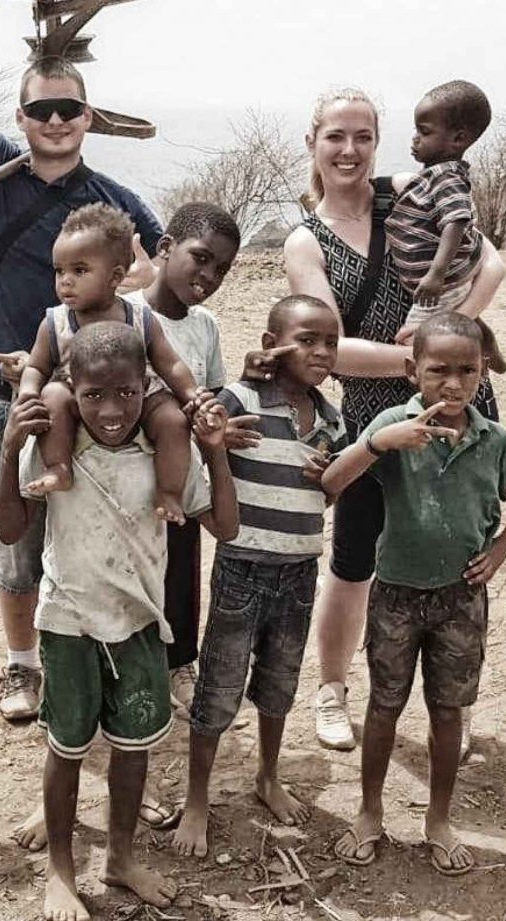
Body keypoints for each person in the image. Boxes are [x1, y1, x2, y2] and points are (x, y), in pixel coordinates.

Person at [0, 0, 164, 722]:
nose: (56, 120)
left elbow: (159, 277)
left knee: (99, 534)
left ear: (89, 116)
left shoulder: (117, 204)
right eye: (41, 109)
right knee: (18, 532)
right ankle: (23, 663)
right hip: (8, 397)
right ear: (22, 117)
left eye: (69, 108)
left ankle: (100, 651)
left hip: (100, 404)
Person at [278, 87, 506, 752]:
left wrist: (449, 341)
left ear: (377, 142)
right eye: (335, 137)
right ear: (313, 145)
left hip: (458, 412)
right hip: (372, 421)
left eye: (363, 137)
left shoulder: (409, 190)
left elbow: (491, 262)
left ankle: (454, 703)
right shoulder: (306, 241)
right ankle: (331, 692)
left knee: (461, 558)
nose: (349, 150)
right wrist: (419, 364)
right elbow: (328, 347)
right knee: (352, 562)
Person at [0, 322, 238, 921]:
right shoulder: (57, 449)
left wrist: (216, 448)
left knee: (133, 749)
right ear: (70, 388)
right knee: (67, 748)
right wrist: (6, 450)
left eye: (127, 394)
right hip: (68, 620)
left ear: (146, 385)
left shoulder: (164, 451)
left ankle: (120, 857)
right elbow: (8, 529)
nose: (111, 410)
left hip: (139, 623)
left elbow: (226, 527)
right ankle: (61, 869)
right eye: (94, 395)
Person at [320, 312, 506, 874]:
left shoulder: (494, 439)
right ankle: (370, 813)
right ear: (413, 370)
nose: (453, 383)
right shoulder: (396, 425)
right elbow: (332, 482)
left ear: (483, 373)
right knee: (383, 707)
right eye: (438, 370)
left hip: (460, 601)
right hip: (395, 594)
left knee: (448, 712)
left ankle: (438, 819)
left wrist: (500, 552)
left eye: (468, 371)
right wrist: (378, 441)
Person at [171, 295, 348, 859]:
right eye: (308, 339)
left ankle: (267, 777)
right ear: (272, 345)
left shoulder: (331, 416)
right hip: (242, 568)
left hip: (299, 569)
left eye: (330, 342)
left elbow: (327, 494)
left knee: (279, 684)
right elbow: (202, 439)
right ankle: (197, 798)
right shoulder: (241, 398)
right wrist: (214, 438)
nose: (321, 351)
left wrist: (333, 477)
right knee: (219, 689)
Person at [17, 203, 212, 522]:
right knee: (53, 396)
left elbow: (170, 364)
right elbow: (37, 366)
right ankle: (59, 467)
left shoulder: (140, 317)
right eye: (59, 270)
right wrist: (27, 392)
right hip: (79, 399)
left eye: (79, 271)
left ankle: (169, 492)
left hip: (135, 397)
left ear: (116, 276)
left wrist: (192, 394)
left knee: (173, 419)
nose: (65, 281)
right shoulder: (55, 323)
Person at [124, 202, 240, 718]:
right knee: (128, 576)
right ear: (165, 248)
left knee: (181, 573)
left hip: (184, 479)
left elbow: (211, 391)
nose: (208, 275)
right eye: (200, 258)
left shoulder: (206, 325)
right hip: (126, 478)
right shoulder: (121, 312)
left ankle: (179, 664)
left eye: (221, 269)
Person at [385, 80, 506, 371]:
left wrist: (435, 274)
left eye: (424, 132)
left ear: (458, 139)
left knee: (412, 338)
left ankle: (472, 353)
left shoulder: (446, 176)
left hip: (443, 281)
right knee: (452, 315)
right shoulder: (434, 176)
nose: (415, 139)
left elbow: (457, 221)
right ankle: (484, 339)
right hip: (444, 282)